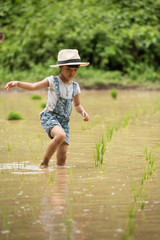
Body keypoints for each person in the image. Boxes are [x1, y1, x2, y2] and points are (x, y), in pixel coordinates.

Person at [5, 49, 90, 168]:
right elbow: (34, 86)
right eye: (68, 69)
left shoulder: (75, 87)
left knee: (63, 157)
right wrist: (18, 83)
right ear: (60, 67)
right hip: (50, 116)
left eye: (75, 70)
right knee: (60, 135)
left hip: (64, 122)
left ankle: (59, 179)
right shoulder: (52, 81)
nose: (72, 73)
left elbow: (77, 105)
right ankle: (44, 162)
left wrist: (83, 112)